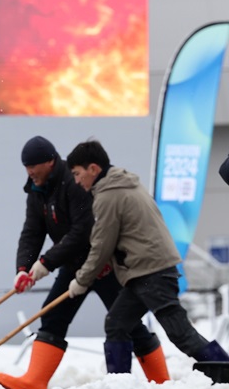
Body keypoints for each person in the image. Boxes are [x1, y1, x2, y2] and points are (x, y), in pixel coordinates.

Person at [0, 136, 170, 389]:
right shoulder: (36, 190)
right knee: (52, 317)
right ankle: (34, 382)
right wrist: (24, 267)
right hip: (73, 265)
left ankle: (163, 385)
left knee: (128, 324)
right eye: (26, 167)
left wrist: (45, 263)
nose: (30, 172)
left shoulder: (71, 181)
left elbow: (82, 231)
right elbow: (32, 232)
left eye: (34, 165)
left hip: (101, 264)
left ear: (51, 161)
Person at [65, 139, 229, 371]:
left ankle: (225, 369)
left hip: (152, 273)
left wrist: (82, 280)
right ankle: (119, 386)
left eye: (77, 173)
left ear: (93, 169)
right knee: (117, 323)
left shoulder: (109, 195)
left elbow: (101, 244)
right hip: (144, 272)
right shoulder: (124, 185)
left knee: (180, 333)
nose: (77, 181)